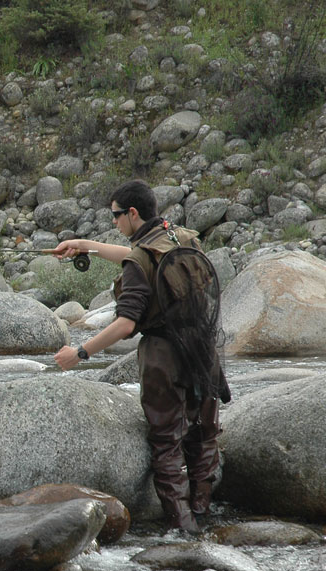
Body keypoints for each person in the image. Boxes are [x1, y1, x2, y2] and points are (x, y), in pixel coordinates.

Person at [51, 180, 229, 534]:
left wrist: (80, 352)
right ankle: (203, 511)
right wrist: (85, 246)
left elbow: (126, 324)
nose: (115, 224)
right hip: (204, 347)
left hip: (163, 355)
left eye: (117, 216)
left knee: (166, 441)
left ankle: (183, 528)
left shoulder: (140, 260)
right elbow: (137, 254)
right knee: (204, 433)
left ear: (133, 213)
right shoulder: (181, 237)